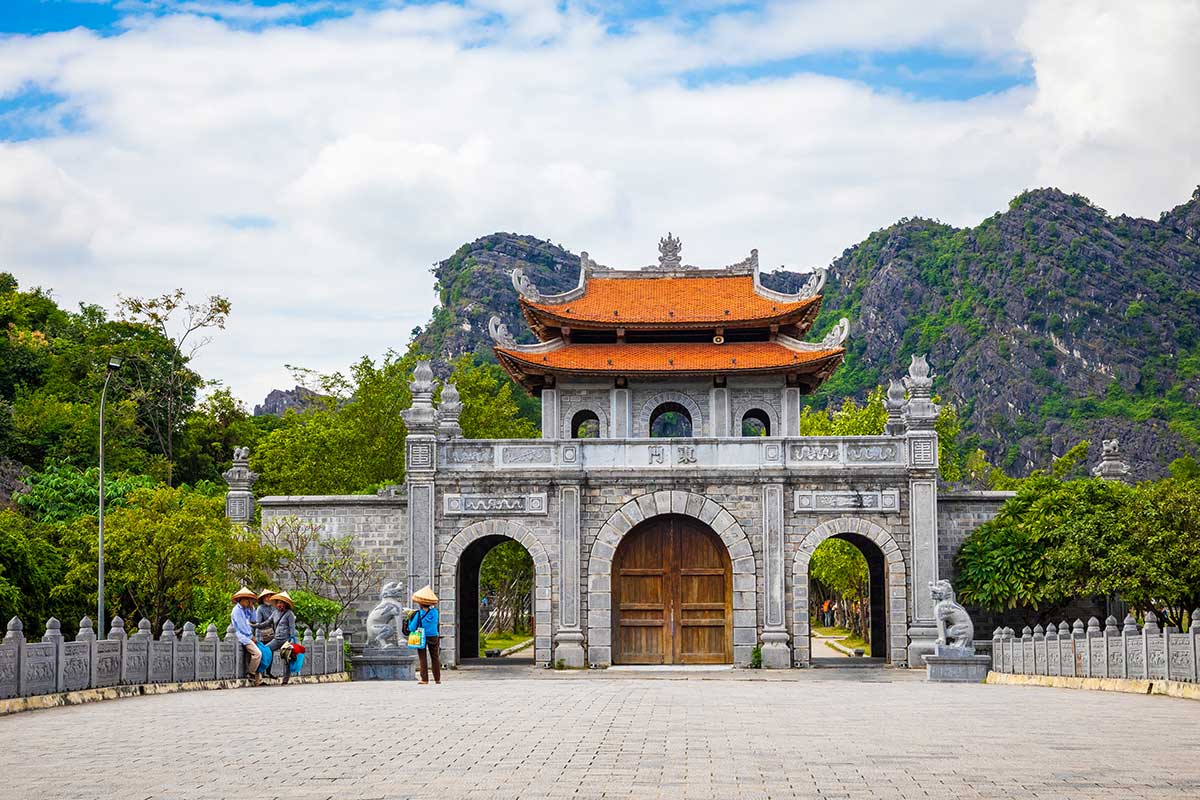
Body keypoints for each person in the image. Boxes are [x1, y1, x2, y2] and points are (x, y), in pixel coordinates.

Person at [407, 585, 441, 685]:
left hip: (422, 636)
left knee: (423, 657)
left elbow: (412, 628)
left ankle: (424, 679)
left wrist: (410, 619)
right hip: (434, 636)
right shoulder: (435, 612)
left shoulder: (418, 613)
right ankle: (437, 679)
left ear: (421, 604)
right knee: (435, 657)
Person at [231, 587, 262, 686]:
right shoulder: (237, 610)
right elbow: (242, 626)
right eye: (247, 600)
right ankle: (251, 673)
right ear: (241, 599)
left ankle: (258, 680)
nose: (249, 601)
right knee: (258, 654)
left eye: (250, 600)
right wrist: (250, 636)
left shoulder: (246, 609)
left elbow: (254, 619)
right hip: (242, 636)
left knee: (258, 656)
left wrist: (252, 607)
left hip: (248, 636)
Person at [267, 591, 298, 685]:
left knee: (286, 658)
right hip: (277, 639)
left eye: (282, 602)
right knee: (266, 650)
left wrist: (292, 639)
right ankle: (267, 672)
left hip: (286, 639)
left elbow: (292, 627)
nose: (280, 604)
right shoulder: (275, 613)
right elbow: (267, 622)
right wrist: (255, 625)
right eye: (278, 602)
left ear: (286, 604)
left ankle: (285, 679)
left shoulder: (289, 614)